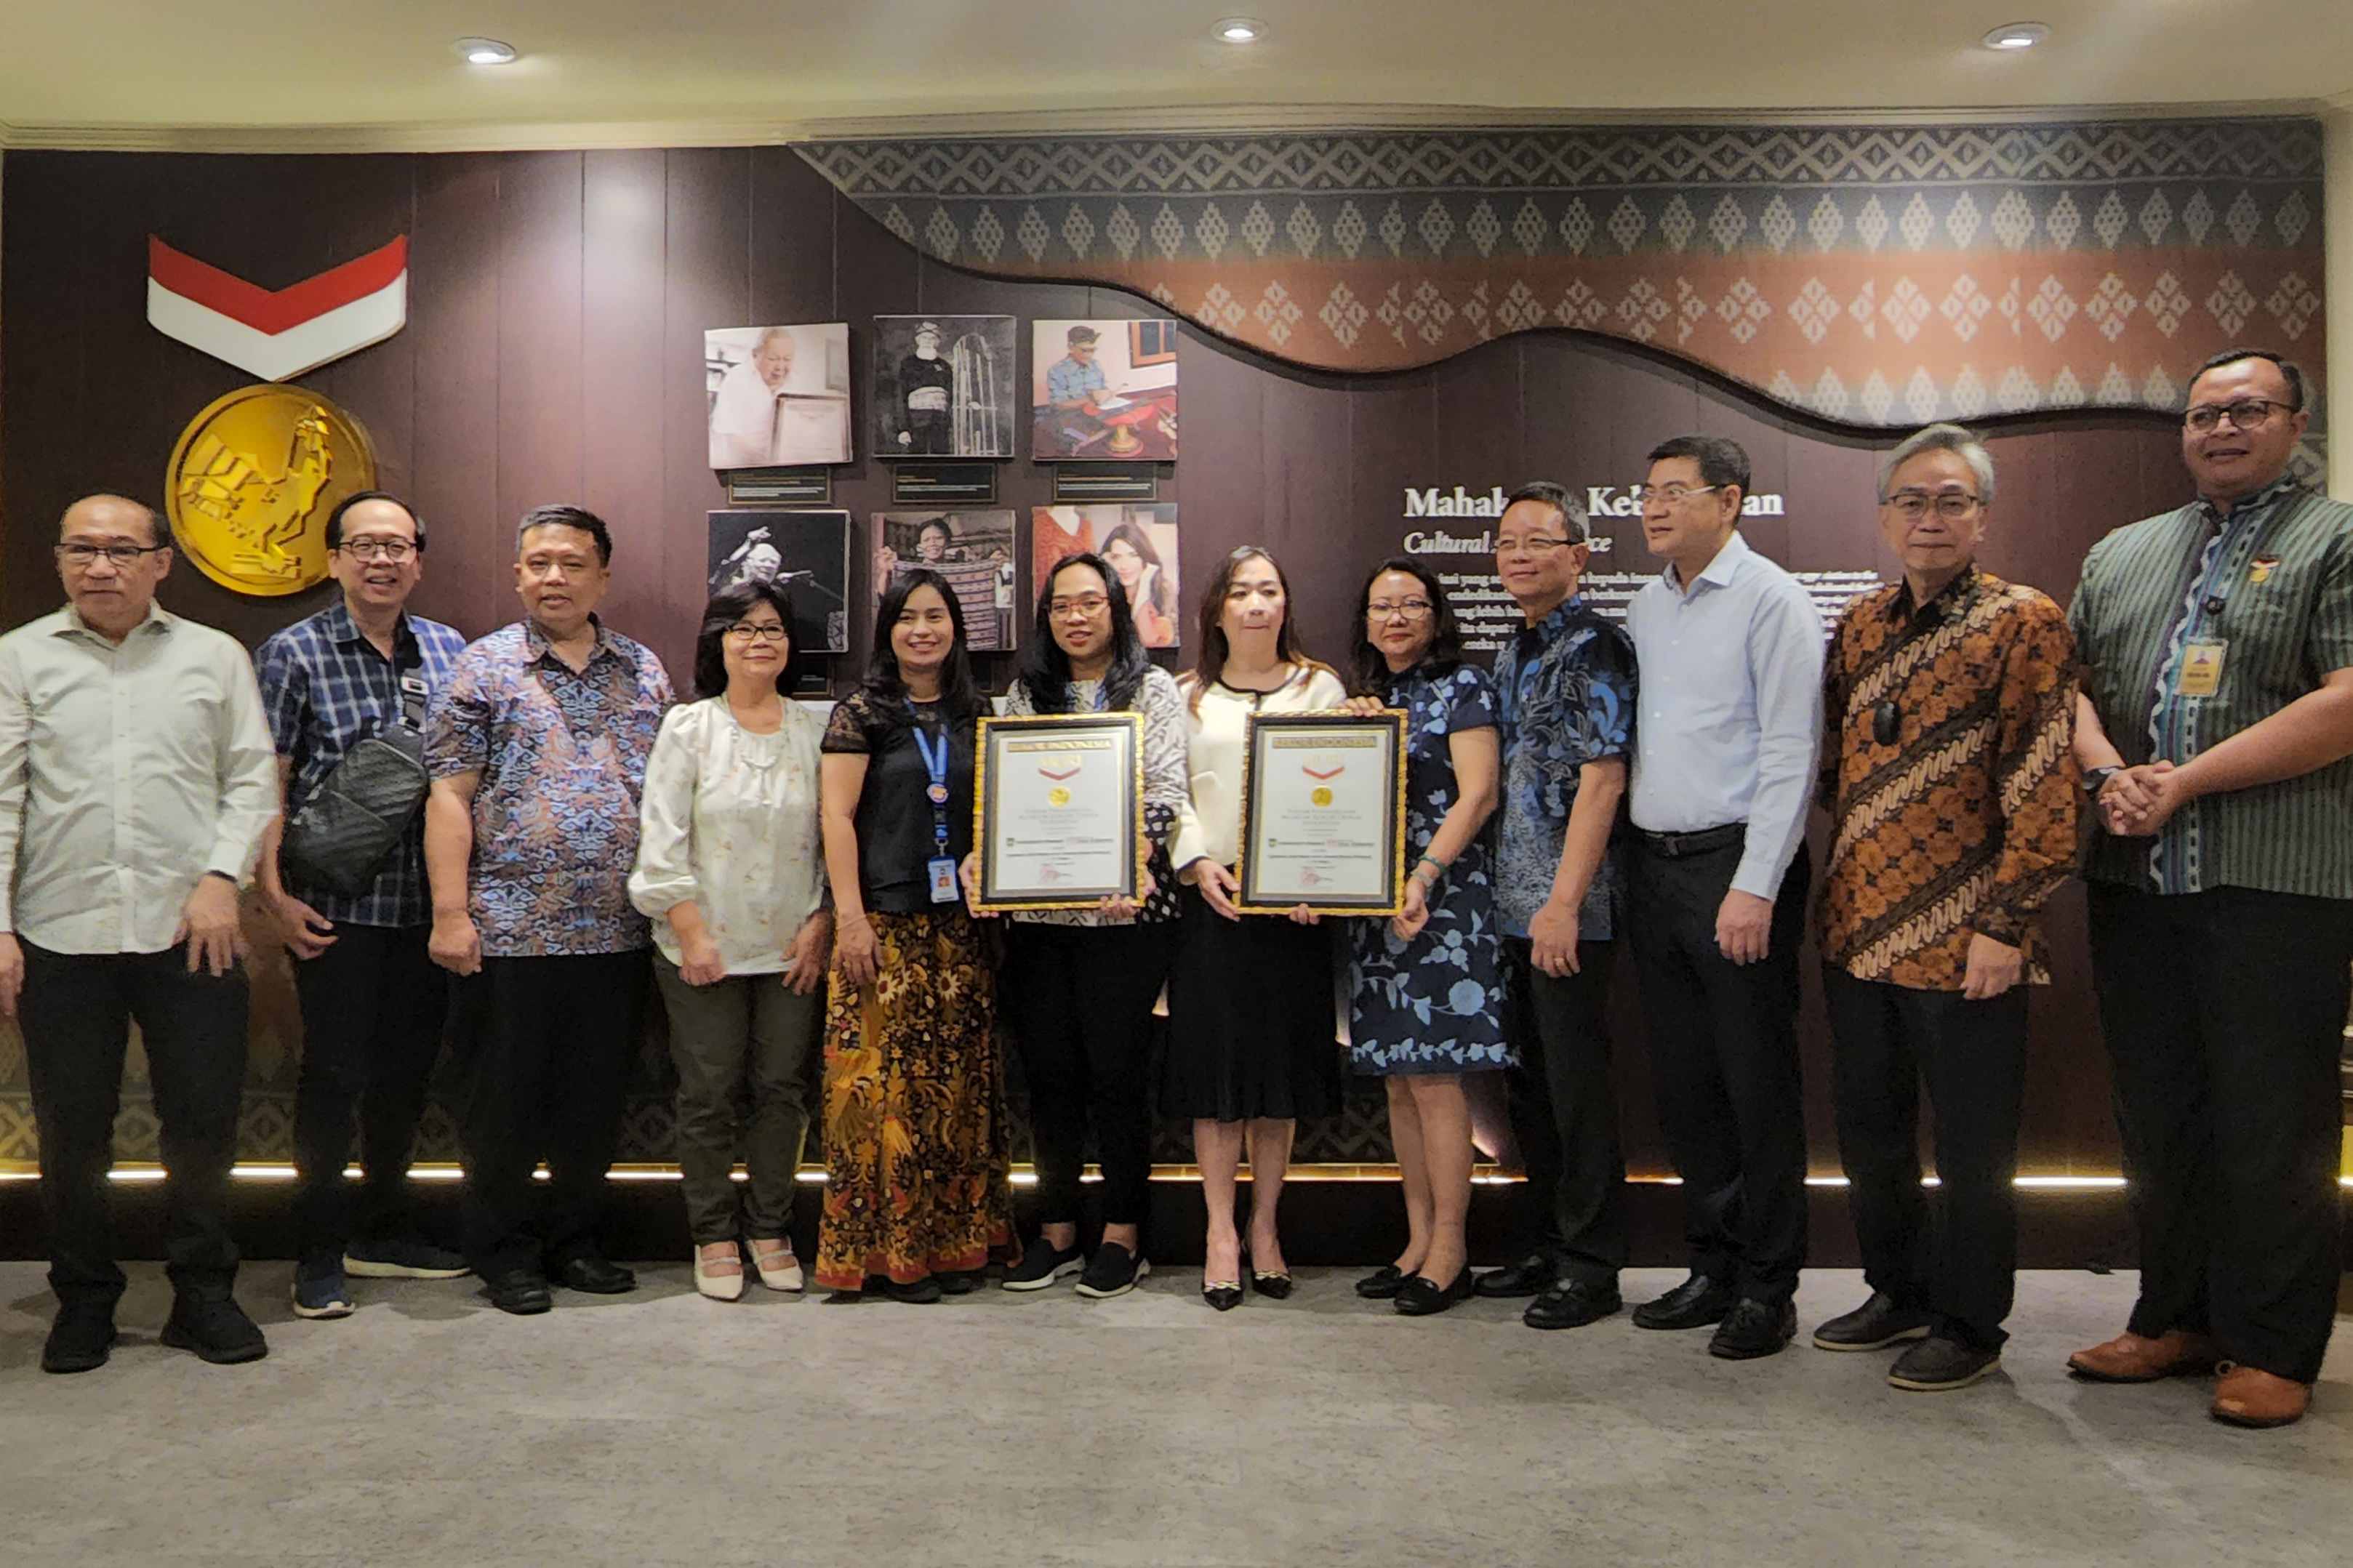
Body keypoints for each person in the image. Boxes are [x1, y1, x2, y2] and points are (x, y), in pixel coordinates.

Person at [2063, 348, 2353, 1429]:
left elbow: (2347, 702)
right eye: (2201, 414)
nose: (2220, 429)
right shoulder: (2125, 552)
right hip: (2134, 877)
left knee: (2273, 1121)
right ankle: (2173, 1316)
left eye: (2245, 410)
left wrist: (2182, 781)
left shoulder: (2340, 539)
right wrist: (2108, 777)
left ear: (2294, 421)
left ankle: (2273, 1344)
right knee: (2160, 1113)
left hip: (2274, 878)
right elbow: (2068, 686)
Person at [1813, 426, 2080, 1392]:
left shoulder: (2025, 622)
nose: (1931, 518)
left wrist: (2006, 924)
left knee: (1973, 1149)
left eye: (1952, 501)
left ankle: (1970, 1322)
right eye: (1913, 501)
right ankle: (1899, 1289)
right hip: (1859, 931)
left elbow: (2045, 780)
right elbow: (1841, 774)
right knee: (1871, 1130)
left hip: (1970, 939)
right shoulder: (1860, 624)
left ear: (1982, 517)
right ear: (1885, 516)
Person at [0, 495, 277, 1372]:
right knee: (71, 1129)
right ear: (58, 561)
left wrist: (219, 878)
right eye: (81, 548)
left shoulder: (213, 657)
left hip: (192, 930)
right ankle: (84, 1299)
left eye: (122, 549)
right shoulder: (17, 660)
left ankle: (203, 1292)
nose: (101, 566)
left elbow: (251, 780)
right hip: (59, 930)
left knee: (201, 1122)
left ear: (162, 562)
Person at [425, 504, 673, 1316]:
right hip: (507, 932)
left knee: (591, 1105)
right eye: (538, 563)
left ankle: (575, 1244)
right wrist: (451, 913)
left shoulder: (644, 670)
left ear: (603, 575)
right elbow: (450, 797)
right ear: (517, 574)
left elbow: (668, 801)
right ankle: (504, 1253)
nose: (553, 577)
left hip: (617, 932)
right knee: (503, 1106)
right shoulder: (483, 668)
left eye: (571, 563)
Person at [1623, 434, 1824, 1361]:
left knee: (1755, 1086)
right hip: (1654, 871)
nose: (1654, 508)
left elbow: (1790, 753)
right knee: (1687, 1086)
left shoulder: (1772, 601)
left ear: (1729, 501)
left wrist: (1756, 884)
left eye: (1674, 492)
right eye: (1647, 493)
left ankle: (1767, 1287)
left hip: (1735, 871)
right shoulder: (1646, 606)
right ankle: (1709, 1265)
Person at [252, 491, 471, 1321]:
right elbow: (266, 779)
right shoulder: (292, 652)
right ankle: (318, 1248)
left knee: (408, 1076)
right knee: (333, 1076)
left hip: (432, 906)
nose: (381, 561)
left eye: (397, 546)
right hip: (334, 909)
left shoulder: (449, 649)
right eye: (363, 546)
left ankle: (381, 1228)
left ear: (419, 557)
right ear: (335, 558)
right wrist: (269, 893)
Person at [983, 554, 1189, 1300]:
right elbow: (1004, 795)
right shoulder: (1022, 697)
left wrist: (1123, 861)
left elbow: (1164, 789)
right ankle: (1057, 1228)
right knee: (1048, 1079)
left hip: (1125, 914)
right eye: (1062, 605)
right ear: (1046, 617)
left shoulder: (1153, 688)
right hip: (1039, 917)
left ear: (1115, 609)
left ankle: (1124, 1232)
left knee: (1116, 1077)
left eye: (1090, 603)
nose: (1076, 617)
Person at [815, 568, 1017, 1300]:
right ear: (887, 631)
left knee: (953, 1091)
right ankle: (884, 1255)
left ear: (957, 630)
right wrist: (850, 918)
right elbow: (835, 819)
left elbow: (1000, 808)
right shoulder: (861, 711)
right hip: (882, 928)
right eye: (907, 618)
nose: (922, 630)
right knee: (881, 1095)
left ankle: (952, 1246)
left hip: (960, 934)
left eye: (936, 616)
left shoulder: (977, 712)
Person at [628, 582, 830, 1301]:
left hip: (791, 948)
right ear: (717, 641)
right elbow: (660, 838)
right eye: (742, 628)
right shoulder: (689, 728)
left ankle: (769, 1227)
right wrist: (689, 931)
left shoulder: (813, 728)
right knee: (709, 1091)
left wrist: (822, 921)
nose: (759, 641)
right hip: (701, 944)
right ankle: (713, 1233)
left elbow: (833, 838)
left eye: (773, 628)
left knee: (782, 1089)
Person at [1474, 484, 1640, 1332]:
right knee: (1529, 1090)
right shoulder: (1516, 646)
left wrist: (1563, 903)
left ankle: (1592, 1264)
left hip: (1568, 908)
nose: (1518, 555)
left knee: (1576, 1090)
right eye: (1506, 542)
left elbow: (1603, 777)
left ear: (1579, 555)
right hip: (1509, 904)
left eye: (1538, 541)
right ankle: (1546, 1243)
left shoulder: (1595, 646)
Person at [1166, 546, 1348, 1310]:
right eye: (1239, 591)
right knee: (1216, 1082)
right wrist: (1194, 862)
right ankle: (1217, 1232)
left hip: (1292, 914)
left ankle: (1266, 1227)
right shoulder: (1183, 695)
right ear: (1215, 608)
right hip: (1209, 909)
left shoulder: (1320, 687)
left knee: (1276, 1080)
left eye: (1268, 590)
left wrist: (1324, 879)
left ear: (1284, 604)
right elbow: (1166, 790)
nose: (1254, 603)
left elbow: (1343, 791)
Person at [1338, 558, 1503, 1318]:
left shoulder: (1462, 688)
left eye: (1411, 604)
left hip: (1442, 905)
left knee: (1437, 1081)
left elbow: (1480, 792)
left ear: (1436, 615)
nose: (1396, 618)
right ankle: (1413, 1242)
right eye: (1381, 606)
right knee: (1399, 1080)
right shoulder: (1366, 701)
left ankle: (1450, 1249)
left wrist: (1426, 874)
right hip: (1379, 909)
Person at [709, 327, 797, 469]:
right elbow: (732, 437)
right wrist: (766, 467)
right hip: (738, 467)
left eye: (787, 359)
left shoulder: (796, 384)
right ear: (755, 354)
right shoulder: (737, 379)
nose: (781, 366)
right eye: (773, 358)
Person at [1101, 520, 1179, 648]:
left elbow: (1146, 641)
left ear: (1145, 557)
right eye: (1116, 557)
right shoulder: (1104, 592)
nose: (1124, 566)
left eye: (1133, 556)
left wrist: (1143, 588)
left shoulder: (1164, 590)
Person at [889, 320, 955, 455]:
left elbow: (951, 395)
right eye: (924, 337)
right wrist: (903, 429)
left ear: (937, 341)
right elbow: (900, 396)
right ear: (918, 340)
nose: (928, 341)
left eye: (932, 338)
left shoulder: (944, 366)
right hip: (916, 422)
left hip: (941, 422)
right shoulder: (908, 364)